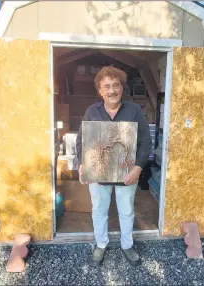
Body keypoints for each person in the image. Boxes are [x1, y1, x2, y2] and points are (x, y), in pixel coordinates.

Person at [76, 66, 152, 267]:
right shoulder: (92, 111)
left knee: (126, 211)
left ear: (122, 88)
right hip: (98, 174)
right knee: (99, 210)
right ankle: (101, 244)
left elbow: (145, 142)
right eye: (106, 86)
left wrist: (138, 168)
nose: (112, 90)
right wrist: (82, 163)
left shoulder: (134, 111)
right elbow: (81, 140)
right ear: (100, 91)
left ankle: (127, 245)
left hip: (127, 173)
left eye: (115, 85)